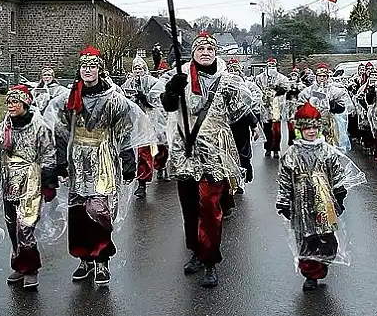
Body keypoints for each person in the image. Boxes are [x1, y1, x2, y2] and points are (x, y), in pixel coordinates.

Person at [44, 46, 154, 286]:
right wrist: (60, 162)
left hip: (104, 155)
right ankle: (83, 258)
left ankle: (102, 260)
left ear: (100, 70)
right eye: (84, 66)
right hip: (77, 158)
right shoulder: (68, 98)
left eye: (92, 66)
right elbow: (59, 131)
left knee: (101, 208)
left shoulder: (114, 99)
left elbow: (125, 131)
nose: (87, 70)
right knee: (78, 210)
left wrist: (128, 160)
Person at [158, 31, 251, 289]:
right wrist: (171, 90)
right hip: (185, 152)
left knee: (210, 208)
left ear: (216, 53)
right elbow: (167, 106)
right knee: (189, 209)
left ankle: (210, 260)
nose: (206, 53)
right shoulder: (181, 78)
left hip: (214, 155)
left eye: (210, 49)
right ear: (194, 53)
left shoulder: (228, 82)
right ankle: (196, 252)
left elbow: (241, 116)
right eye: (201, 49)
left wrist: (244, 156)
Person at [276, 102, 365, 291]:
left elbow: (337, 175)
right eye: (307, 127)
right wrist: (284, 201)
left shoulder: (327, 151)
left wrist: (339, 195)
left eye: (314, 127)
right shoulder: (291, 154)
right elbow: (284, 179)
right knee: (306, 238)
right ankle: (310, 274)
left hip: (324, 201)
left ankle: (323, 261)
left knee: (326, 236)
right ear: (299, 128)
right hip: (300, 201)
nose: (311, 131)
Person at [0, 84, 58, 290]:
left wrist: (49, 182)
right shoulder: (1, 130)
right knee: (12, 227)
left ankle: (31, 269)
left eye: (15, 102)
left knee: (25, 227)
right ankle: (19, 264)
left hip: (31, 181)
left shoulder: (39, 127)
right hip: (9, 182)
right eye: (8, 102)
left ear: (25, 103)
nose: (11, 106)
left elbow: (48, 154)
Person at [121, 55, 169, 198]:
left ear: (145, 69)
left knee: (161, 148)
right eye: (135, 68)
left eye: (140, 68)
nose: (138, 70)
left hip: (153, 120)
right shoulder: (127, 84)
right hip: (138, 124)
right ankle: (142, 183)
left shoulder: (154, 82)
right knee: (144, 152)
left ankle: (161, 165)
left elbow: (160, 101)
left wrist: (146, 99)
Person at [225, 57, 262, 193]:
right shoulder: (219, 85)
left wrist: (254, 125)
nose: (233, 73)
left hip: (240, 126)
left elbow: (248, 107)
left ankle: (240, 181)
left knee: (242, 154)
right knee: (226, 154)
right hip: (224, 126)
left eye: (236, 70)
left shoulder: (246, 86)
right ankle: (229, 182)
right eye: (231, 70)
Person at [297, 63, 355, 149]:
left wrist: (332, 104)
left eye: (324, 76)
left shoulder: (335, 91)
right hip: (312, 123)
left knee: (328, 148)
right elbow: (299, 105)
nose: (322, 78)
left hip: (329, 123)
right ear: (316, 76)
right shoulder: (308, 91)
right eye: (320, 76)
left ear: (327, 77)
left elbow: (342, 107)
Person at [252, 58, 290, 158]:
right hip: (265, 107)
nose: (271, 67)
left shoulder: (282, 78)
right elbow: (256, 89)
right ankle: (268, 148)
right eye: (270, 66)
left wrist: (276, 92)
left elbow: (286, 88)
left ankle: (277, 149)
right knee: (267, 130)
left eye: (273, 66)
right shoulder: (260, 78)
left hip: (276, 107)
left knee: (277, 130)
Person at [284, 68, 303, 146]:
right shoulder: (287, 84)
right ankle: (291, 140)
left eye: (295, 75)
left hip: (298, 107)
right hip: (289, 107)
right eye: (293, 75)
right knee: (290, 125)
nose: (294, 76)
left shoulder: (301, 85)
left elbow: (303, 94)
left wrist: (297, 88)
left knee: (298, 124)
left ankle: (298, 139)